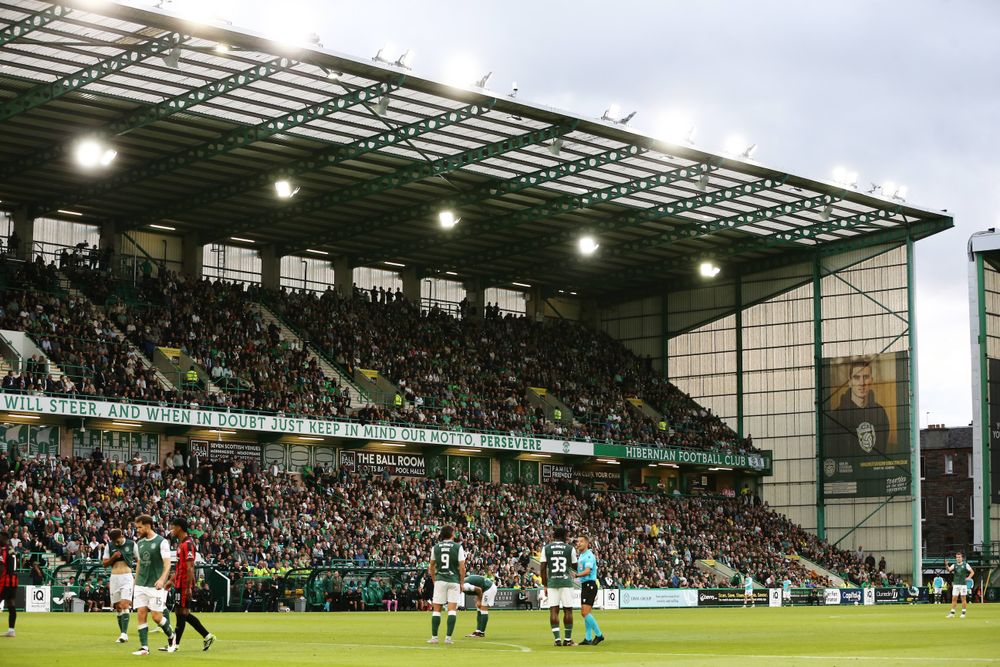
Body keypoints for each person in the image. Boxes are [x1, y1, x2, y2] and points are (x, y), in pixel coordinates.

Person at [164, 518, 215, 652]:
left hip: (184, 584)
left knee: (181, 613)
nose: (172, 530)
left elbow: (190, 568)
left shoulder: (187, 544)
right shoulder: (182, 544)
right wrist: (171, 581)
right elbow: (180, 567)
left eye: (173, 527)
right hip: (180, 583)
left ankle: (175, 645)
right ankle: (206, 636)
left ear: (179, 528)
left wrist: (187, 588)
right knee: (181, 613)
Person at [825, 359, 891, 457]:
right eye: (856, 377)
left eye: (866, 377)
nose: (862, 383)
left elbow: (881, 454)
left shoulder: (880, 413)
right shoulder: (835, 417)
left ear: (871, 380)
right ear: (850, 381)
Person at [131, 515, 176, 655]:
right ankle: (144, 647)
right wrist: (135, 580)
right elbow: (139, 563)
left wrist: (162, 579)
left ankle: (171, 636)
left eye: (139, 527)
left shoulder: (161, 542)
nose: (137, 530)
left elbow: (167, 563)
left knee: (156, 617)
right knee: (141, 614)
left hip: (155, 585)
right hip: (140, 584)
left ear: (148, 526)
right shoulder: (140, 543)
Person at [427, 525, 465, 645]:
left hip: (440, 580)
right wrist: (462, 582)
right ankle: (448, 638)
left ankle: (434, 637)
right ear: (452, 534)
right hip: (453, 580)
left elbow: (431, 567)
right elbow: (462, 568)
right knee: (452, 610)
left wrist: (434, 579)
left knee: (436, 610)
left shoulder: (436, 547)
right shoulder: (458, 547)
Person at [540, 526, 577, 647]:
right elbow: (575, 567)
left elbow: (542, 568)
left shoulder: (546, 548)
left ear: (554, 536)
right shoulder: (570, 548)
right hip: (566, 582)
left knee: (553, 610)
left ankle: (557, 640)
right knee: (568, 610)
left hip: (552, 583)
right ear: (564, 536)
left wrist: (545, 585)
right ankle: (567, 640)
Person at [102, 528, 137, 643]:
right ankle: (123, 634)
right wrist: (114, 557)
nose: (115, 543)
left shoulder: (132, 544)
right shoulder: (109, 546)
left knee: (124, 604)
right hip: (114, 578)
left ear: (122, 536)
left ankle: (123, 633)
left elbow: (140, 559)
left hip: (127, 576)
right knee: (118, 607)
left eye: (117, 540)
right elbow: (105, 564)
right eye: (114, 541)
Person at [575, 535, 605, 646]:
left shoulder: (588, 556)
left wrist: (577, 575)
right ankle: (587, 638)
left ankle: (599, 635)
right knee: (586, 613)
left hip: (590, 585)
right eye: (577, 541)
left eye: (581, 541)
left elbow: (587, 571)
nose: (578, 543)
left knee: (584, 612)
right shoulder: (582, 555)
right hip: (586, 585)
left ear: (587, 543)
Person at [462, 573, 497, 638]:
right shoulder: (462, 583)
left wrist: (479, 600)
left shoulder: (464, 586)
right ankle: (477, 631)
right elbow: (478, 588)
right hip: (484, 589)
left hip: (489, 588)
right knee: (479, 608)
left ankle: (481, 633)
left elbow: (479, 589)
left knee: (483, 608)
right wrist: (478, 598)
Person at [945, 552, 974, 619]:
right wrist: (946, 565)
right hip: (956, 584)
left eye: (959, 557)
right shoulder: (954, 565)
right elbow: (948, 570)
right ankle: (952, 613)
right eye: (957, 557)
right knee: (954, 598)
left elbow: (972, 572)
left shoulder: (966, 565)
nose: (958, 558)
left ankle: (963, 613)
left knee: (963, 599)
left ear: (962, 558)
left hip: (963, 585)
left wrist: (968, 578)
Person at [0, 531, 17, 637]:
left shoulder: (4, 550)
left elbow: (1, 567)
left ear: (3, 538)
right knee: (11, 605)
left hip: (6, 580)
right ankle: (11, 630)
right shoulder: (11, 549)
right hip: (14, 580)